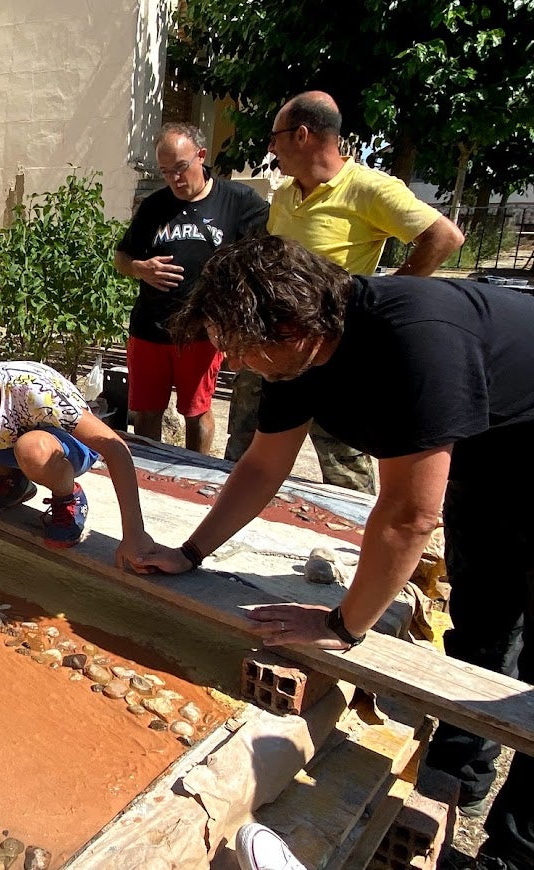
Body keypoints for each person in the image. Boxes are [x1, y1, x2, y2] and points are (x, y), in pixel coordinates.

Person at [142, 235, 534, 870]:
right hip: (489, 473)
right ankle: (457, 775)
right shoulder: (299, 357)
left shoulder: (415, 339)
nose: (238, 365)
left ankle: (515, 851)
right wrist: (190, 552)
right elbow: (263, 465)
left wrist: (341, 624)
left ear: (293, 324)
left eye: (242, 349)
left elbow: (409, 515)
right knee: (484, 629)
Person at [226, 91, 465, 493]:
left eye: (276, 136)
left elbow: (444, 237)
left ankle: (353, 541)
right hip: (273, 341)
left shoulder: (370, 188)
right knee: (246, 447)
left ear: (302, 135)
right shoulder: (285, 194)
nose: (271, 147)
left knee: (345, 459)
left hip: (332, 346)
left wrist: (376, 299)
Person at [0, 330, 157, 613]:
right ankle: (10, 482)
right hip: (9, 445)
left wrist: (133, 534)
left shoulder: (33, 391)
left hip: (66, 449)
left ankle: (68, 495)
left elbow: (115, 449)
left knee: (31, 449)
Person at [116, 122, 269, 455]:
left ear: (201, 156)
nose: (174, 178)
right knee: (146, 412)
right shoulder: (154, 206)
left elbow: (265, 254)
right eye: (166, 171)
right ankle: (148, 473)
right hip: (149, 329)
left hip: (202, 332)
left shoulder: (238, 201)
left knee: (196, 411)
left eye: (181, 168)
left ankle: (196, 470)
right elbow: (121, 256)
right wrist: (139, 268)